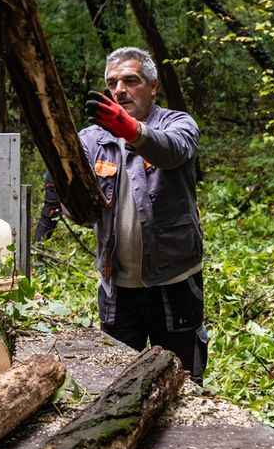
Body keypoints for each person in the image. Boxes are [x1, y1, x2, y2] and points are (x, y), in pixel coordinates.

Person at [80, 46, 207, 382]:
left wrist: (132, 130)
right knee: (119, 382)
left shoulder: (178, 124)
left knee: (182, 382)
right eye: (112, 83)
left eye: (130, 80)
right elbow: (75, 198)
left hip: (175, 282)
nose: (119, 89)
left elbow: (172, 151)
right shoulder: (93, 139)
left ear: (152, 87)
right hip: (118, 288)